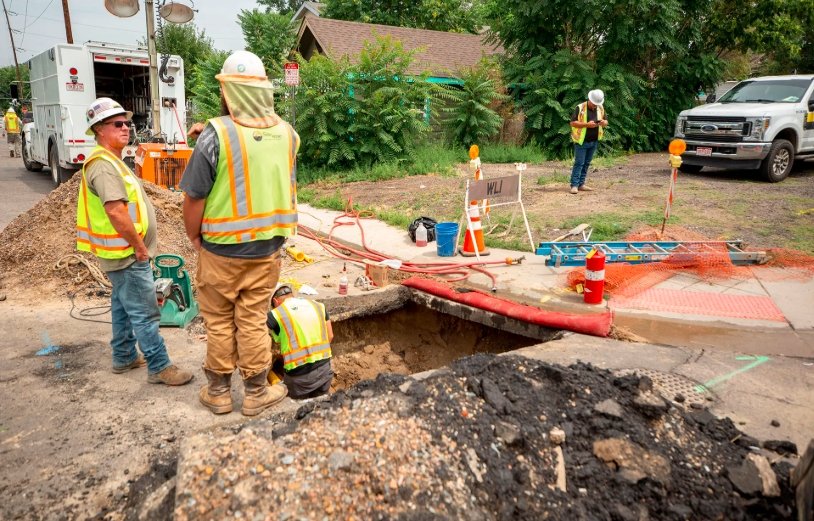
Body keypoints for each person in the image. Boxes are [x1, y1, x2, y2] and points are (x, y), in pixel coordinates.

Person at [180, 50, 299, 416]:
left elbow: (194, 197)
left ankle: (217, 392)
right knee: (251, 320)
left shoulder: (214, 137)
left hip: (220, 249)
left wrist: (195, 238)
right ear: (264, 90)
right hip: (265, 251)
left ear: (226, 92)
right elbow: (259, 152)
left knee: (218, 322)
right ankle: (255, 392)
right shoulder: (288, 134)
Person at [76, 97, 193, 386]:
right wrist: (140, 247)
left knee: (121, 304)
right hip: (127, 252)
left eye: (127, 123)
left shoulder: (113, 160)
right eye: (117, 124)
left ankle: (124, 355)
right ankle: (160, 365)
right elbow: (115, 211)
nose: (126, 127)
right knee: (144, 310)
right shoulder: (103, 165)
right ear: (99, 129)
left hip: (121, 252)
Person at [267, 284, 334, 400]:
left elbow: (255, 333)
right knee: (322, 408)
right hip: (324, 370)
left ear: (275, 301)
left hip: (299, 377)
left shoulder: (276, 314)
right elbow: (330, 336)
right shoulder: (318, 306)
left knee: (299, 412)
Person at [569, 89, 608, 194]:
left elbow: (606, 120)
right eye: (594, 103)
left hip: (594, 141)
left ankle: (581, 184)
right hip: (581, 141)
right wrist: (587, 124)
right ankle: (574, 185)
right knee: (579, 163)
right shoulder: (580, 107)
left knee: (586, 163)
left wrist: (604, 123)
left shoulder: (600, 107)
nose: (595, 106)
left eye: (597, 104)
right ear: (589, 99)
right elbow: (572, 123)